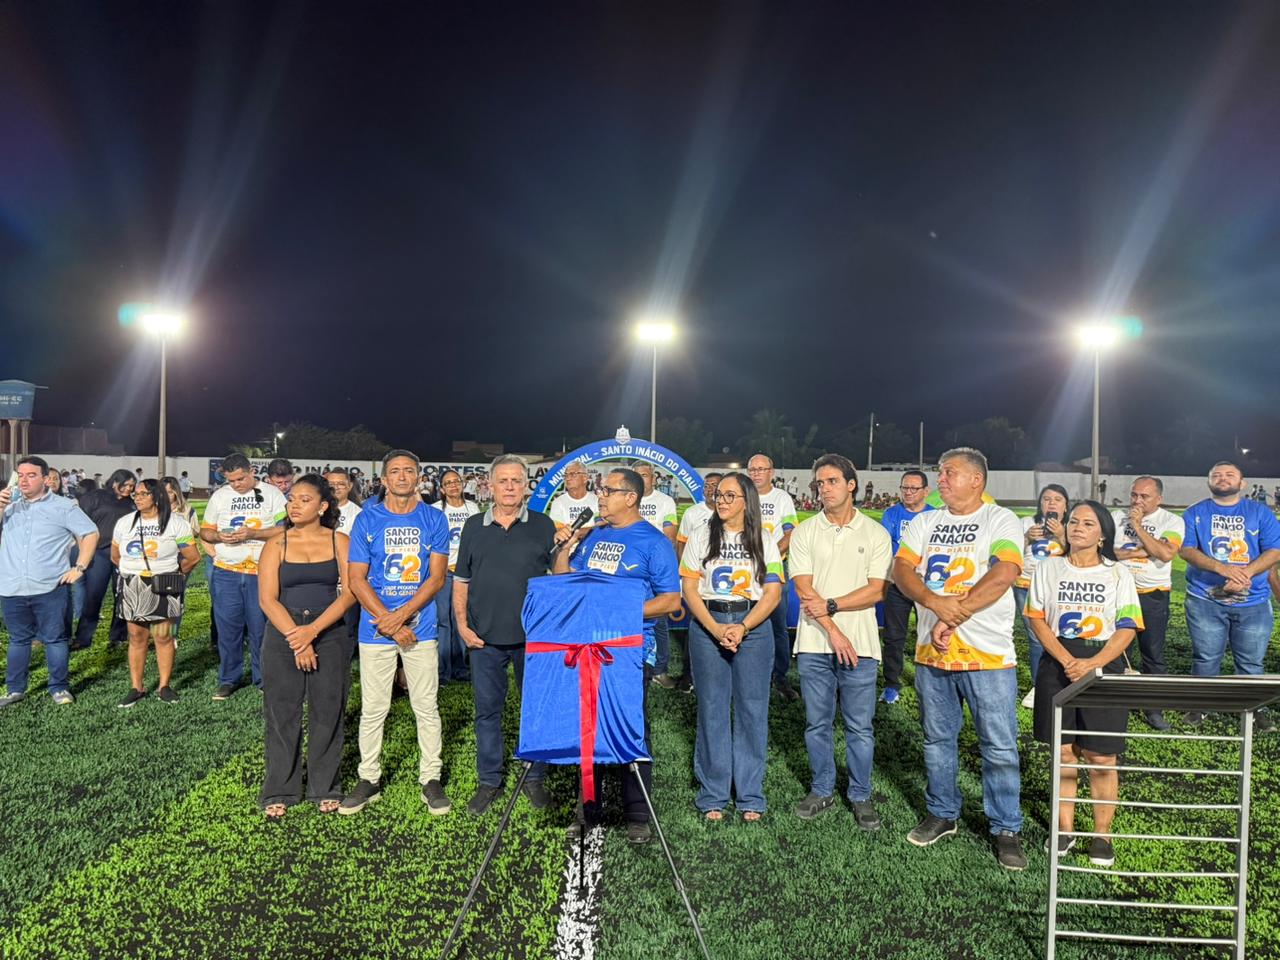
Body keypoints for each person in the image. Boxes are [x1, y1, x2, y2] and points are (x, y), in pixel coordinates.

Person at [892, 447, 1027, 870]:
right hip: (932, 654)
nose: (941, 479)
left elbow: (1005, 572)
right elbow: (902, 570)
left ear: (976, 480)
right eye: (940, 473)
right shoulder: (924, 521)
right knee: (937, 739)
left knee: (999, 745)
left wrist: (955, 614)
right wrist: (934, 603)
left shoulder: (1000, 519)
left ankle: (1005, 827)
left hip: (989, 657)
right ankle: (942, 812)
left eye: (950, 473)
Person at [554, 467, 681, 844]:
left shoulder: (654, 542)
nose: (600, 496)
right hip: (588, 646)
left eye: (607, 490)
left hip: (630, 651)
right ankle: (588, 808)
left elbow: (671, 601)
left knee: (630, 727)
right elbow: (563, 578)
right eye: (600, 490)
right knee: (587, 727)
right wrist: (565, 546)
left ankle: (637, 813)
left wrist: (619, 612)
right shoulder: (594, 535)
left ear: (630, 497)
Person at [1026, 501, 1141, 867]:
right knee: (1063, 752)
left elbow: (1127, 627)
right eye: (1074, 521)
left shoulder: (1119, 573)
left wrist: (1093, 663)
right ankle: (1064, 829)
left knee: (1101, 755)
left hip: (1103, 662)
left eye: (1088, 523)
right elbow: (1037, 618)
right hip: (1058, 662)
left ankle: (1102, 835)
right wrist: (1066, 661)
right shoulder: (1048, 568)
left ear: (1103, 534)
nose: (1077, 527)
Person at [339, 450, 451, 816]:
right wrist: (389, 620)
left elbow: (436, 578)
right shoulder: (367, 519)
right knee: (374, 708)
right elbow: (356, 578)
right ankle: (368, 778)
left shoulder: (434, 518)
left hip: (420, 627)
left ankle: (430, 778)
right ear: (384, 479)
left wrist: (402, 617)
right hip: (376, 629)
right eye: (395, 471)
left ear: (419, 477)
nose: (402, 476)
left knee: (426, 706)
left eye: (409, 471)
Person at [788, 455, 892, 829]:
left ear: (851, 485)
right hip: (815, 644)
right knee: (817, 723)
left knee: (859, 727)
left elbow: (877, 590)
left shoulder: (875, 533)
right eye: (820, 483)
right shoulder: (805, 531)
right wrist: (833, 630)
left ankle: (860, 795)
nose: (824, 488)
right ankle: (822, 789)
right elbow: (804, 589)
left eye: (832, 481)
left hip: (861, 645)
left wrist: (831, 605)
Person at [453, 456, 557, 814]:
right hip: (483, 638)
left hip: (533, 638)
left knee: (535, 709)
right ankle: (489, 781)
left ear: (526, 485)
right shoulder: (473, 526)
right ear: (490, 486)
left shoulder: (543, 525)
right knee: (487, 712)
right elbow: (461, 580)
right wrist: (462, 625)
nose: (510, 487)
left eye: (516, 480)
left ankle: (534, 777)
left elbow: (559, 577)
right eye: (503, 481)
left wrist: (565, 548)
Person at [679, 471, 782, 821]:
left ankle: (750, 793)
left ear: (746, 501)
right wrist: (715, 628)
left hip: (752, 625)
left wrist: (742, 626)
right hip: (709, 623)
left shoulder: (764, 538)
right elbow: (689, 588)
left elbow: (772, 593)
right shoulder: (700, 534)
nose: (720, 501)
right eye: (718, 495)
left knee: (752, 708)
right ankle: (714, 792)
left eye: (729, 496)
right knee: (712, 707)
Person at [257, 475, 357, 820]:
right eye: (291, 499)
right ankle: (280, 788)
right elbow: (267, 599)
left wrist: (312, 631)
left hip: (329, 632)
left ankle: (324, 786)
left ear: (323, 506)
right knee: (281, 712)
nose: (294, 506)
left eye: (304, 500)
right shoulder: (276, 544)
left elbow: (350, 593)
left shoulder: (339, 541)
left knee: (328, 710)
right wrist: (297, 638)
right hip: (283, 633)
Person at [1179, 461, 1280, 732]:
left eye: (1230, 474)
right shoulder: (1195, 512)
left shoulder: (1259, 512)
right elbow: (1186, 550)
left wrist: (1243, 574)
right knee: (1206, 657)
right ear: (1209, 481)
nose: (1222, 478)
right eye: (1217, 475)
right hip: (1205, 598)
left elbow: (1274, 550)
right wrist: (1222, 569)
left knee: (1250, 660)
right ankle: (1201, 706)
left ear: (1242, 483)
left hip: (1253, 600)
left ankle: (1253, 707)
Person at [0, 457, 99, 707]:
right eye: (21, 475)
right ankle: (15, 690)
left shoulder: (63, 507)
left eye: (31, 475)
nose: (24, 480)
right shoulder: (9, 506)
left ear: (45, 479)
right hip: (12, 586)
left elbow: (90, 533)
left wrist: (79, 567)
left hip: (50, 587)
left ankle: (59, 687)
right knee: (18, 640)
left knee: (55, 639)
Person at [200, 453, 287, 700]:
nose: (236, 484)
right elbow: (205, 532)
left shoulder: (272, 494)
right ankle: (229, 678)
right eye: (231, 480)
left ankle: (263, 678)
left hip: (261, 571)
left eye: (241, 479)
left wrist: (254, 533)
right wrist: (219, 537)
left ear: (252, 471)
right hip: (226, 571)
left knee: (260, 628)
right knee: (228, 628)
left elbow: (285, 528)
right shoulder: (220, 496)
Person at [111, 479, 200, 706]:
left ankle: (164, 686)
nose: (137, 498)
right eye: (136, 494)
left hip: (164, 586)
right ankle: (136, 687)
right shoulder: (124, 523)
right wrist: (134, 572)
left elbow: (192, 557)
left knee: (163, 636)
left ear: (157, 496)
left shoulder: (176, 523)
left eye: (143, 494)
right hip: (133, 586)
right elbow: (115, 555)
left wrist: (174, 575)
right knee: (136, 637)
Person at [1111, 476, 1184, 730]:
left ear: (1159, 499)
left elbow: (1165, 553)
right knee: (1117, 651)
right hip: (1118, 593)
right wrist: (1141, 551)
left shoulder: (1171, 521)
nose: (1137, 500)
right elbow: (1103, 551)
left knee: (1152, 654)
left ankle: (1153, 709)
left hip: (1152, 594)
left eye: (1144, 496)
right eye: (1134, 495)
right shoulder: (1115, 517)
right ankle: (1117, 705)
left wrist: (1138, 527)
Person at [746, 455, 801, 702]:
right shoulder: (743, 495)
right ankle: (750, 674)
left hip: (774, 569)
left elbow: (791, 533)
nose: (756, 473)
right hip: (744, 569)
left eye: (761, 469)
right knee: (746, 623)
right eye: (752, 469)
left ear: (771, 472)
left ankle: (780, 677)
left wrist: (768, 556)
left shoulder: (782, 498)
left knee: (778, 625)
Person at [877, 470, 934, 704]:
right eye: (904, 488)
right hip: (897, 584)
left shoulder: (935, 516)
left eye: (913, 488)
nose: (908, 492)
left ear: (925, 491)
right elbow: (884, 548)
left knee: (930, 633)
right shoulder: (891, 514)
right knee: (894, 636)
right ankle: (892, 683)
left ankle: (930, 680)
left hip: (926, 585)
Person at [1013, 485, 1069, 709]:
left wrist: (1061, 535)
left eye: (1057, 499)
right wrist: (1026, 538)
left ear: (1066, 506)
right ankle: (1040, 686)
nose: (1051, 503)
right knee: (1036, 638)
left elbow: (1079, 554)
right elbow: (1011, 552)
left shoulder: (1071, 526)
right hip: (1026, 586)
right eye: (1046, 499)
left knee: (1062, 635)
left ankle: (1064, 681)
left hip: (1059, 590)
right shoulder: (1026, 523)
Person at [70, 469, 136, 650]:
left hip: (123, 555)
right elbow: (79, 522)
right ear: (115, 482)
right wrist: (83, 548)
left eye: (132, 486)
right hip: (99, 552)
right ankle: (83, 637)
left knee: (122, 595)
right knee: (94, 595)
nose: (129, 489)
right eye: (126, 484)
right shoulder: (96, 497)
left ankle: (118, 636)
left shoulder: (132, 504)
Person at [631, 461, 680, 689]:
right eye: (636, 475)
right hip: (631, 571)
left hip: (654, 570)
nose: (641, 479)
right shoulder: (627, 499)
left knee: (659, 622)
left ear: (653, 478)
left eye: (645, 475)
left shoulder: (665, 501)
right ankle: (634, 665)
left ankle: (660, 669)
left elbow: (670, 536)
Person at [433, 469, 480, 684]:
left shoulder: (473, 508)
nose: (453, 485)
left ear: (462, 484)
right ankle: (443, 669)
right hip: (444, 571)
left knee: (461, 618)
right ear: (442, 489)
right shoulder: (435, 509)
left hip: (465, 572)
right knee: (443, 620)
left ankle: (460, 667)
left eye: (456, 481)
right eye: (448, 483)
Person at [163, 476, 202, 643]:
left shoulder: (186, 509)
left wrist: (180, 533)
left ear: (176, 493)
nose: (166, 496)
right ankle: (156, 633)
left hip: (181, 558)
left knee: (175, 598)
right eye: (163, 492)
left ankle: (172, 634)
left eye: (170, 492)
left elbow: (196, 531)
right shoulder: (153, 508)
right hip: (160, 558)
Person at [548, 461, 596, 530]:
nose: (568, 478)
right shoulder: (558, 503)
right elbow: (558, 530)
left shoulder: (596, 501)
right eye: (566, 475)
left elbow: (601, 528)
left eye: (573, 474)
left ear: (585, 478)